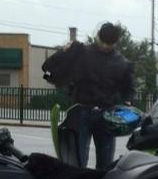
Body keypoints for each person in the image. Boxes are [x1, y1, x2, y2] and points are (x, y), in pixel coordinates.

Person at [42, 22, 135, 169]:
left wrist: (128, 103)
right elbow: (49, 69)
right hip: (81, 110)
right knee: (77, 160)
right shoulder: (81, 52)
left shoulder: (123, 63)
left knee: (106, 162)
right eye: (102, 41)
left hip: (108, 114)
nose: (104, 46)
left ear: (115, 43)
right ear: (97, 36)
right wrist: (63, 51)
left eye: (109, 44)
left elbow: (128, 89)